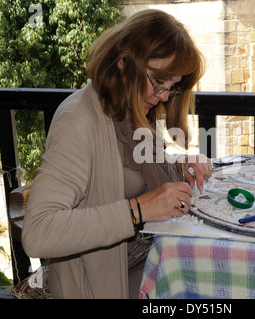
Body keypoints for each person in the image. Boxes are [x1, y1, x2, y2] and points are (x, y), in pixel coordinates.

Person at [22, 9, 211, 299]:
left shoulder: (131, 109)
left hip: (148, 258)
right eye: (159, 82)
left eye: (171, 87)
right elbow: (38, 233)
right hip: (104, 284)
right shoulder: (78, 122)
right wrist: (136, 211)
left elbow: (137, 166)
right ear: (124, 61)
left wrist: (180, 161)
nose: (163, 95)